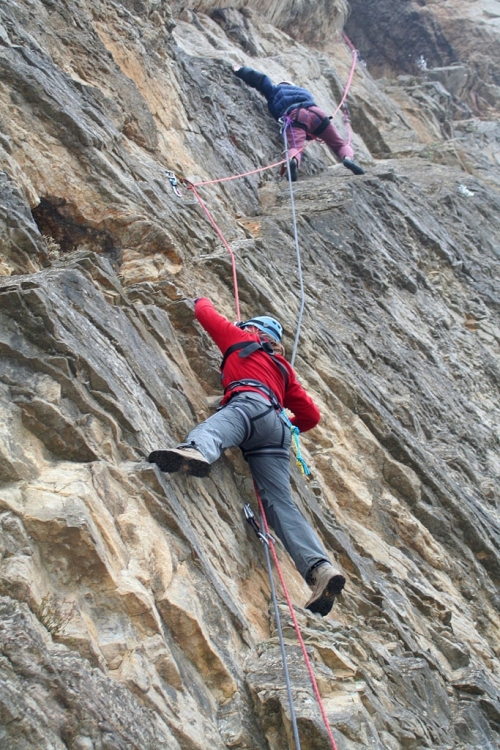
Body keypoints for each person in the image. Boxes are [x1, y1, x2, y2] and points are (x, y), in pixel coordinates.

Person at [148, 297, 346, 616]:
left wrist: (203, 299)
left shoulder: (241, 338)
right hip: (278, 432)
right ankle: (320, 569)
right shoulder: (284, 369)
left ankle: (195, 452)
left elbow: (203, 313)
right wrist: (283, 421)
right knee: (281, 503)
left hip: (248, 404)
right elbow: (311, 417)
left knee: (218, 426)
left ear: (252, 329)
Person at [233, 65, 365, 181]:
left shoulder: (274, 91)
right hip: (317, 114)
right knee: (339, 144)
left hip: (296, 116)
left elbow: (261, 79)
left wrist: (239, 70)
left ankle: (294, 162)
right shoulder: (303, 91)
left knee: (295, 147)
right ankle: (348, 159)